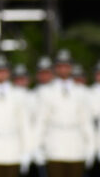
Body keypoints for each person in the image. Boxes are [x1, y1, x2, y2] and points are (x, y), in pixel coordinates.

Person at [35, 49, 94, 177]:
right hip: (54, 146)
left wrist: (91, 145)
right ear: (55, 68)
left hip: (76, 147)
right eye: (60, 66)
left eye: (66, 66)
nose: (63, 69)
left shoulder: (81, 92)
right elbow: (41, 121)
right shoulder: (46, 91)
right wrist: (37, 146)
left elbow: (86, 121)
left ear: (71, 67)